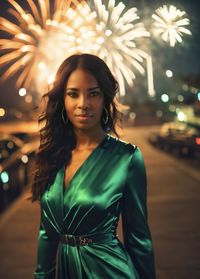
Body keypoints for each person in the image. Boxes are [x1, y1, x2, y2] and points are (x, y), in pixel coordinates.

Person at [32, 53, 156, 279]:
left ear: (105, 98)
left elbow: (139, 238)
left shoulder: (126, 158)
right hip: (65, 271)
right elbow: (46, 234)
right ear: (63, 100)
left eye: (93, 94)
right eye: (73, 94)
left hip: (110, 271)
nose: (83, 104)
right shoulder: (52, 156)